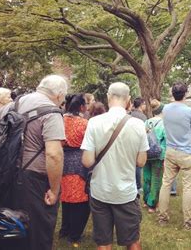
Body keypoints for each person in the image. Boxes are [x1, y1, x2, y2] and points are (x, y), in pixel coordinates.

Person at [0, 74, 67, 250]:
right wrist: (55, 189)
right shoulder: (51, 112)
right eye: (63, 97)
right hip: (33, 182)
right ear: (58, 95)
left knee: (6, 225)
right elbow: (54, 155)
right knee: (35, 232)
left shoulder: (13, 105)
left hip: (4, 177)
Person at [81, 82, 149, 249]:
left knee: (103, 243)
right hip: (126, 192)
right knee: (132, 240)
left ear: (108, 97)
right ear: (129, 100)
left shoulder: (94, 122)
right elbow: (141, 162)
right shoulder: (138, 124)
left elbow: (87, 161)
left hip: (100, 191)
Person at [157, 81, 191, 230]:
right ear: (185, 94)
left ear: (172, 93)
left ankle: (162, 218)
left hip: (170, 150)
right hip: (186, 152)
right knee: (188, 187)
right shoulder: (189, 111)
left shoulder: (166, 109)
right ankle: (188, 222)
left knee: (166, 184)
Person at [59, 94, 90, 246]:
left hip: (62, 159)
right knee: (79, 198)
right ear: (82, 107)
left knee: (65, 197)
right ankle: (74, 233)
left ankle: (64, 229)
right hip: (79, 160)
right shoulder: (84, 123)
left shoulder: (60, 120)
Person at [143, 99, 167, 213]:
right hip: (158, 154)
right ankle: (152, 204)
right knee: (156, 179)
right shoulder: (163, 124)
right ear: (161, 111)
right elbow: (166, 140)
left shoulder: (146, 122)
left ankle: (145, 199)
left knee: (147, 176)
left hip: (146, 152)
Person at [131, 97, 147, 192]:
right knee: (138, 165)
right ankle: (138, 185)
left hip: (129, 141)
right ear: (141, 105)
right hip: (138, 143)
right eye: (144, 104)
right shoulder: (142, 117)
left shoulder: (130, 114)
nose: (145, 106)